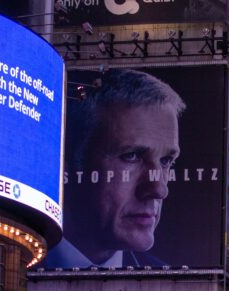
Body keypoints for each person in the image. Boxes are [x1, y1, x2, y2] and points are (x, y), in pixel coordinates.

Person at [47, 69, 184, 268]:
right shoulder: (8, 257)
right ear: (67, 162)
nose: (159, 189)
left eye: (166, 161)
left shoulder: (170, 285)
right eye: (131, 156)